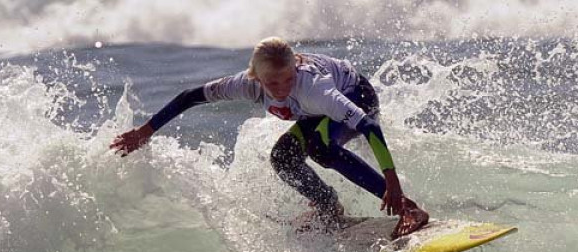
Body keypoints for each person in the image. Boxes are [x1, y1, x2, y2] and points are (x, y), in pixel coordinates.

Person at [110, 37, 429, 238]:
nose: (281, 88)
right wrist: (144, 132)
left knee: (320, 148)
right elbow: (189, 96)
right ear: (255, 77)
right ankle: (328, 206)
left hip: (357, 94)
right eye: (272, 83)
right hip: (315, 112)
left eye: (287, 79)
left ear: (296, 68)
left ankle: (409, 209)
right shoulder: (243, 84)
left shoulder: (313, 88)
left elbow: (368, 126)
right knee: (283, 158)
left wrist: (392, 181)